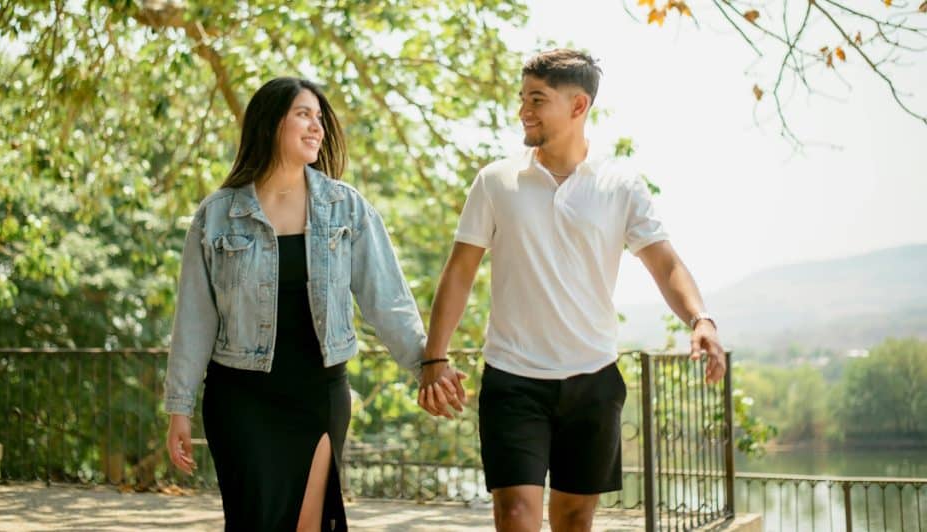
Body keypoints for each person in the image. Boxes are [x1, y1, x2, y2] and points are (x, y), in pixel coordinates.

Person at [417, 49, 726, 532]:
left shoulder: (620, 184)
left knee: (574, 520)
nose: (524, 110)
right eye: (523, 98)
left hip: (593, 382)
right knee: (516, 514)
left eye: (537, 99)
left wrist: (700, 319)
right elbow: (459, 272)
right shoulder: (496, 181)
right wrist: (434, 358)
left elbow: (664, 263)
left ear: (578, 106)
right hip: (513, 380)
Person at [163, 77, 427, 532]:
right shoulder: (217, 214)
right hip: (241, 398)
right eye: (304, 114)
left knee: (310, 525)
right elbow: (194, 319)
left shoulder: (346, 208)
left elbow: (387, 299)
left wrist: (428, 366)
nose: (316, 127)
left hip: (317, 394)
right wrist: (179, 409)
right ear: (270, 124)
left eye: (319, 119)